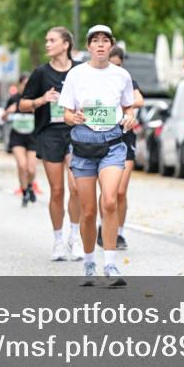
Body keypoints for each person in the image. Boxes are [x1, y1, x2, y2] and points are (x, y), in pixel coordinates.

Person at [60, 25, 136, 287]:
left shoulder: (121, 75)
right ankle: (90, 261)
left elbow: (128, 105)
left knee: (111, 201)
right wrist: (74, 117)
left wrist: (130, 116)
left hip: (113, 144)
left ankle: (111, 263)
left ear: (111, 45)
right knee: (89, 211)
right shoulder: (76, 74)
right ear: (89, 46)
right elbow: (66, 113)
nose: (101, 45)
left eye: (106, 41)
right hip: (83, 147)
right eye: (96, 41)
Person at [19, 27, 83, 261]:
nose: (47, 44)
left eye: (52, 40)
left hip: (76, 132)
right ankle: (58, 240)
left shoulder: (80, 71)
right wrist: (42, 99)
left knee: (76, 187)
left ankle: (74, 236)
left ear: (65, 44)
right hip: (49, 134)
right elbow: (23, 105)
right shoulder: (40, 73)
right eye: (46, 40)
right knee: (57, 191)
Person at [96, 46, 144, 250]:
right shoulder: (95, 81)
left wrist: (125, 104)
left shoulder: (125, 80)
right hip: (102, 139)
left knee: (121, 191)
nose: (114, 69)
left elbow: (139, 99)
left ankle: (119, 232)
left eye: (117, 65)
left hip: (125, 139)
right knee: (108, 191)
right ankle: (104, 225)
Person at [4, 75, 38, 206]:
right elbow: (3, 118)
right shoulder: (13, 99)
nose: (27, 86)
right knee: (22, 165)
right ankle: (24, 192)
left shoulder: (35, 100)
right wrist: (8, 112)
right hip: (17, 137)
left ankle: (30, 186)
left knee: (31, 169)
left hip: (32, 137)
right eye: (24, 83)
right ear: (19, 85)